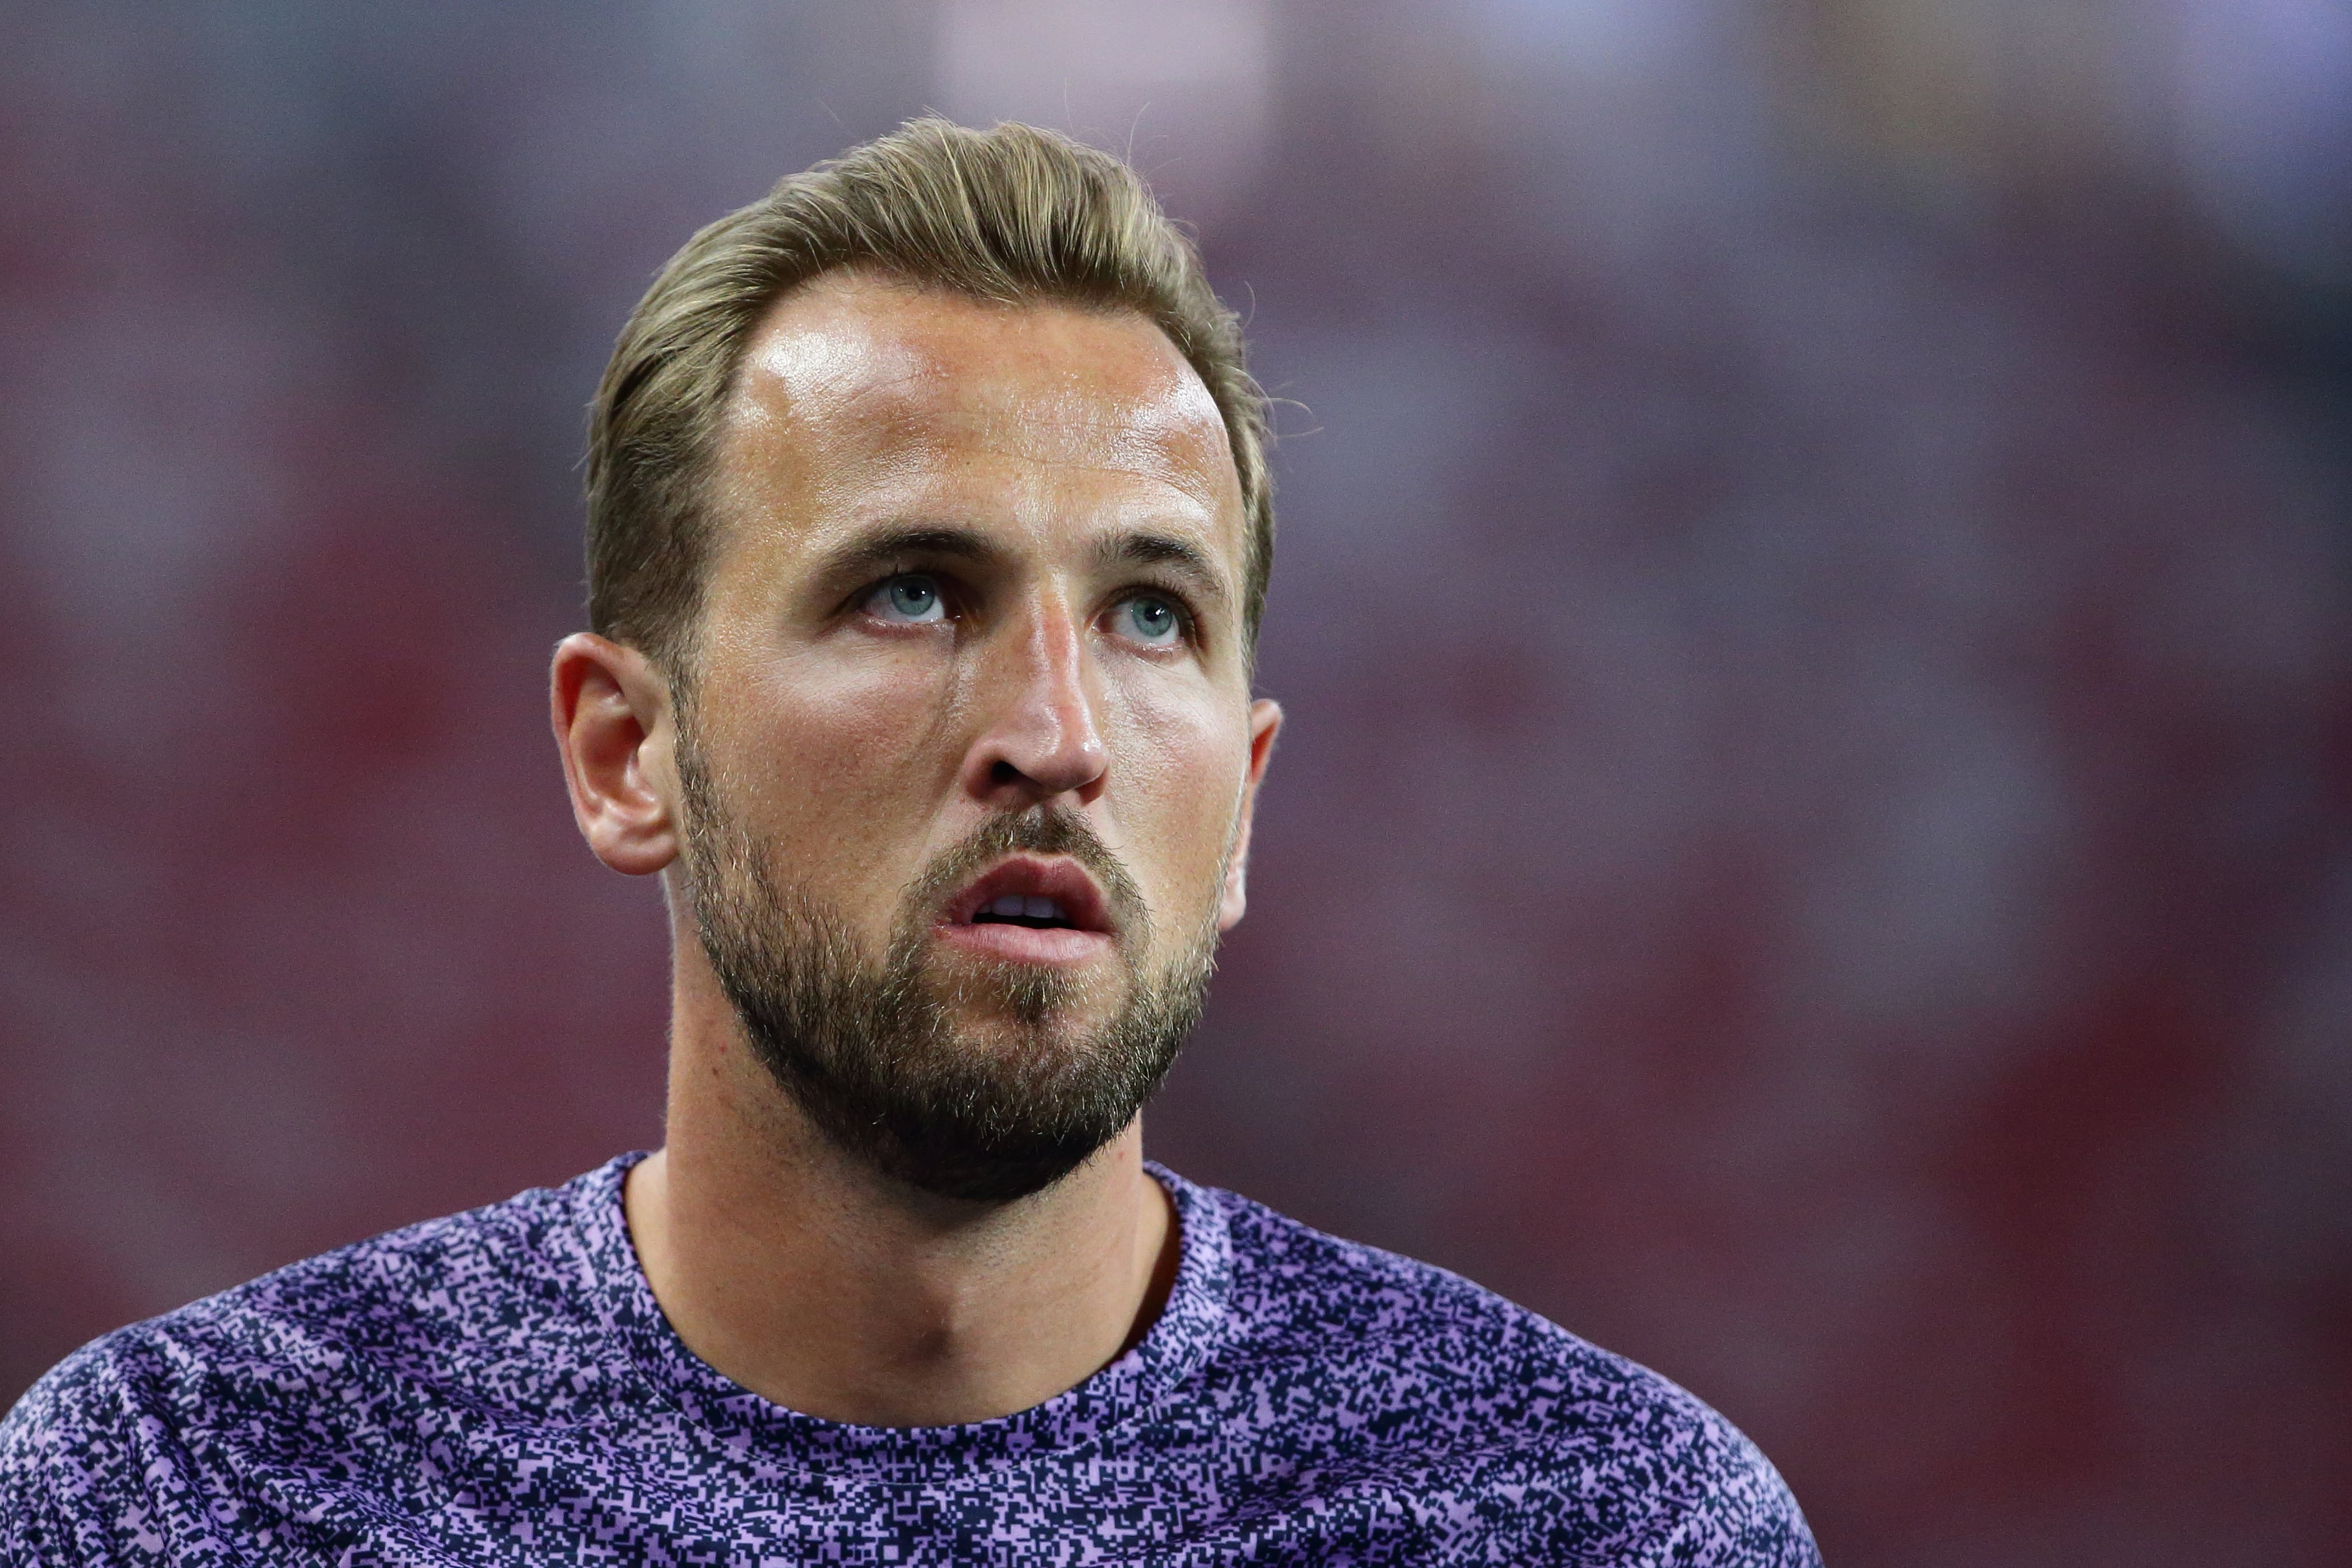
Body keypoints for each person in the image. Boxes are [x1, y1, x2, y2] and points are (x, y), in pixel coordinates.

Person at [0, 119, 1819, 1565]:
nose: (1057, 735)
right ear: (628, 752)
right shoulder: (188, 1503)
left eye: (1153, 615)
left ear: (1248, 795)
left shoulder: (1593, 1522)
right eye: (911, 591)